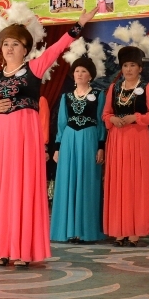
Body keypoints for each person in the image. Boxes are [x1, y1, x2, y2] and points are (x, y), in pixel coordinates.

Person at [0, 4, 97, 268]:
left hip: (24, 136)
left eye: (15, 44)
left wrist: (79, 24)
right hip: (1, 138)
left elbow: (57, 47)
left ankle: (23, 250)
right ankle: (0, 248)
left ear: (25, 49)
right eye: (5, 44)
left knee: (23, 189)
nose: (9, 48)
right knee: (2, 190)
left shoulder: (34, 68)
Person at [102, 46, 149, 247]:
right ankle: (119, 231)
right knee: (118, 183)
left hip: (137, 138)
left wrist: (135, 117)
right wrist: (112, 119)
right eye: (125, 65)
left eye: (132, 65)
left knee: (135, 182)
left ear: (140, 68)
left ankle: (134, 232)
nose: (128, 69)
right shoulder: (114, 87)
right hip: (117, 139)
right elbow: (106, 113)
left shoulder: (147, 87)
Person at [50, 57, 106, 244]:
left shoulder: (99, 94)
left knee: (87, 181)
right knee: (68, 182)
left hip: (89, 140)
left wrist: (101, 146)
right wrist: (57, 148)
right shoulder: (66, 97)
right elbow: (61, 124)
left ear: (90, 75)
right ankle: (69, 231)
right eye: (76, 71)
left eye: (83, 71)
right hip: (68, 140)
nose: (79, 74)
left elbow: (101, 123)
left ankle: (85, 231)